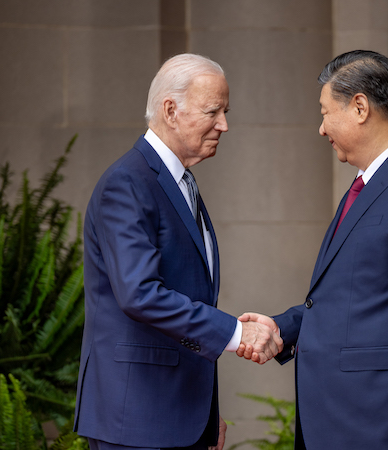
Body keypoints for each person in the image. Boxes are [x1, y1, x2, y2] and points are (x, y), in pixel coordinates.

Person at [238, 50, 388, 450]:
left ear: (360, 106)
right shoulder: (368, 184)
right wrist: (284, 327)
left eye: (326, 112)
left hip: (384, 417)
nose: (321, 128)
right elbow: (358, 295)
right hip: (342, 416)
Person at [73, 53, 283, 450]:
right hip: (135, 421)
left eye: (225, 111)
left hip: (177, 416)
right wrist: (237, 333)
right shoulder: (128, 183)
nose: (224, 124)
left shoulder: (180, 182)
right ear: (170, 110)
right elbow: (140, 295)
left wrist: (203, 412)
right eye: (213, 111)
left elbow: (187, 301)